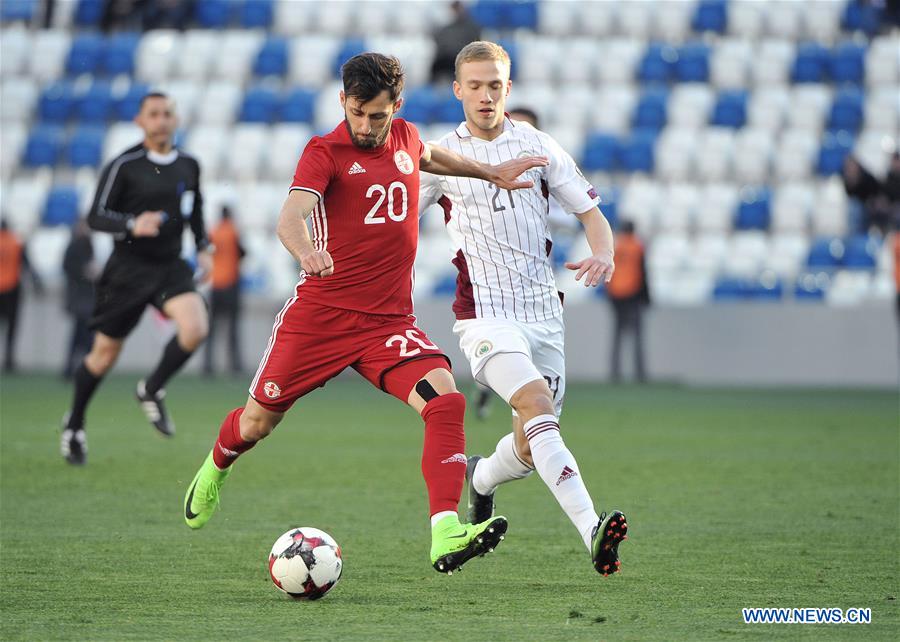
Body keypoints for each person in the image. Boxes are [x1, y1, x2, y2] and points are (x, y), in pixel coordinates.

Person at [182, 53, 548, 575]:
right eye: (358, 113)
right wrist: (306, 251)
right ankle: (216, 466)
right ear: (344, 103)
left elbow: (434, 156)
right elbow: (290, 218)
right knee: (257, 424)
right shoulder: (323, 151)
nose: (367, 126)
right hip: (320, 317)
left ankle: (445, 532)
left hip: (388, 324)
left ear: (395, 107)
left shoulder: (403, 137)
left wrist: (491, 172)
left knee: (445, 402)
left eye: (378, 116)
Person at [419, 41, 628, 576]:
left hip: (544, 316)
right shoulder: (441, 158)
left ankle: (482, 477)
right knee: (536, 402)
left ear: (508, 89)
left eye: (496, 85)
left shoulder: (539, 146)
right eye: (475, 85)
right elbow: (397, 220)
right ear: (457, 89)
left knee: (532, 444)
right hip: (485, 317)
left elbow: (591, 213)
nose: (486, 95)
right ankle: (592, 530)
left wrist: (603, 251)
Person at [60, 91, 212, 466]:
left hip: (169, 266)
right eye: (154, 114)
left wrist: (204, 246)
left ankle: (151, 388)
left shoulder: (189, 165)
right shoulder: (124, 165)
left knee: (196, 328)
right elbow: (96, 216)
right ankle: (75, 423)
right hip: (126, 270)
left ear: (175, 120)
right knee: (104, 355)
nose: (161, 120)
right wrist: (132, 223)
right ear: (140, 121)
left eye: (167, 114)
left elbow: (194, 211)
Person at [203, 205, 245, 376]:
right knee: (232, 328)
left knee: (212, 329)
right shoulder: (233, 231)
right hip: (231, 284)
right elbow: (242, 252)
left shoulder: (214, 232)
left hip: (216, 284)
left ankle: (208, 366)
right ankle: (234, 366)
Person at [607, 220, 650, 383]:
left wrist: (610, 295)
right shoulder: (637, 246)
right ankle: (639, 374)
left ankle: (614, 373)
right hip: (633, 294)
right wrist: (647, 298)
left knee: (617, 335)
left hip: (616, 295)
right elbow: (643, 273)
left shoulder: (615, 246)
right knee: (637, 336)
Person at [0, 218, 42, 373]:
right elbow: (26, 264)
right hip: (12, 288)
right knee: (12, 326)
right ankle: (9, 360)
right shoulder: (16, 242)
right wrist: (37, 282)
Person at [61, 218, 98, 379]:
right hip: (80, 298)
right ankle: (83, 369)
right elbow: (70, 268)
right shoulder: (77, 246)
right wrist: (85, 273)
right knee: (83, 335)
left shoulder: (84, 244)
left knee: (80, 335)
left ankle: (74, 368)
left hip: (84, 298)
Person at [431, 1, 482, 83]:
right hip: (446, 60)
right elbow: (440, 46)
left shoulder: (472, 28)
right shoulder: (444, 29)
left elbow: (476, 47)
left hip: (464, 59)